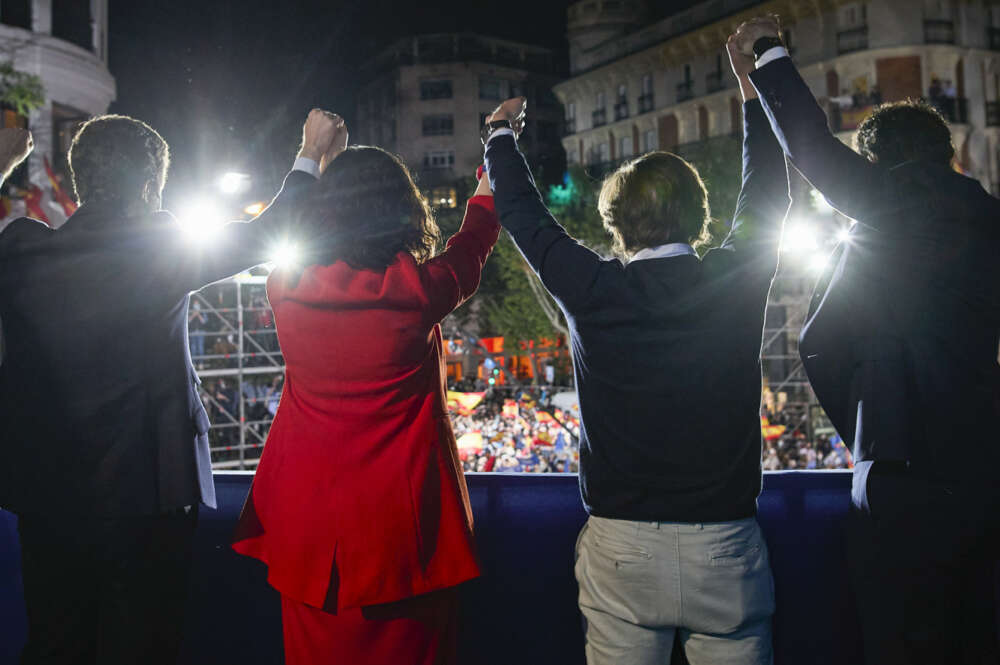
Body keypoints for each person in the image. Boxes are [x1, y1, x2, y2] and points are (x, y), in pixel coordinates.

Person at [482, 33, 790, 665]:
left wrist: (498, 138)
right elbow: (769, 194)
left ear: (617, 226)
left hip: (622, 547)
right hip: (724, 544)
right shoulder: (733, 281)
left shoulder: (594, 287)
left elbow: (523, 215)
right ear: (700, 216)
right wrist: (753, 90)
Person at [0, 108, 343, 664]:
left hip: (47, 501)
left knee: (55, 646)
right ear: (148, 187)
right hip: (148, 499)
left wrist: (3, 162)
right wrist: (311, 151)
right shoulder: (159, 248)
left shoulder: (20, 248)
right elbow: (271, 229)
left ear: (80, 179)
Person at [736, 15, 1000, 664]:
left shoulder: (885, 197)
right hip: (986, 464)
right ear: (950, 155)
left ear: (879, 162)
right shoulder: (988, 214)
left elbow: (808, 145)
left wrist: (768, 48)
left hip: (899, 470)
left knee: (900, 637)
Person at [231, 132, 503, 664]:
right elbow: (474, 237)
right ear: (402, 210)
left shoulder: (283, 285)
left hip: (307, 532)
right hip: (402, 535)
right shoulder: (422, 291)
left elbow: (292, 224)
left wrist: (312, 156)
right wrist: (495, 151)